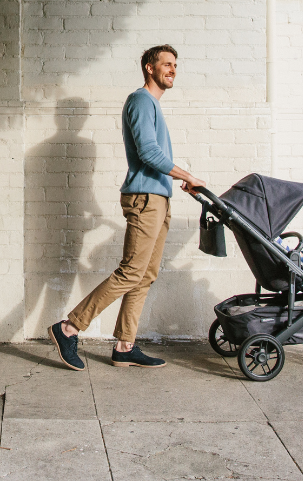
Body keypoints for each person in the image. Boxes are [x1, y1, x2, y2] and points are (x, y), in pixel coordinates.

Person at [48, 45, 205, 370]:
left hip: (158, 199)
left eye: (176, 64)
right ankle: (69, 328)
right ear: (150, 67)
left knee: (145, 275)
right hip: (145, 199)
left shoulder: (153, 106)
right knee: (131, 271)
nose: (172, 69)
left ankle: (125, 345)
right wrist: (186, 174)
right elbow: (148, 152)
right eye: (166, 64)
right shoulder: (140, 101)